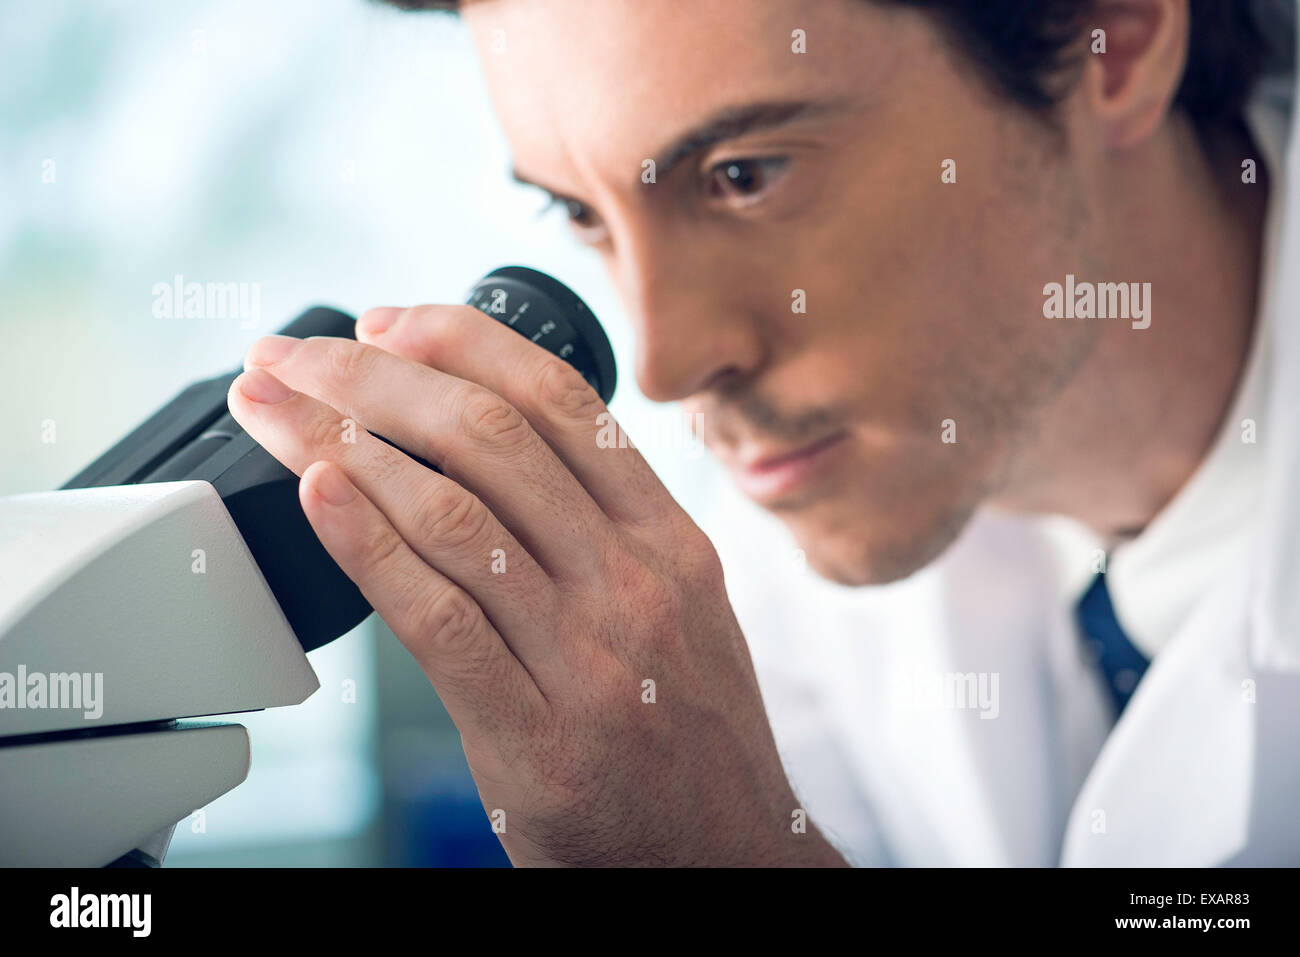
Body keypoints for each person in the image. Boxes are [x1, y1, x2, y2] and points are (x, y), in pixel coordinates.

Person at [226, 0, 1300, 864]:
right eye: (583, 214)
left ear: (1109, 41)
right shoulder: (787, 559)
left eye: (745, 176)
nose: (665, 365)